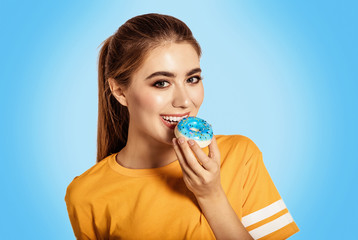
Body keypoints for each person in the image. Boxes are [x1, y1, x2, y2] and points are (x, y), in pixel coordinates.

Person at [65, 13, 299, 240]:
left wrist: (211, 195)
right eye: (162, 83)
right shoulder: (86, 194)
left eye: (192, 79)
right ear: (119, 91)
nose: (184, 101)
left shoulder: (239, 155)